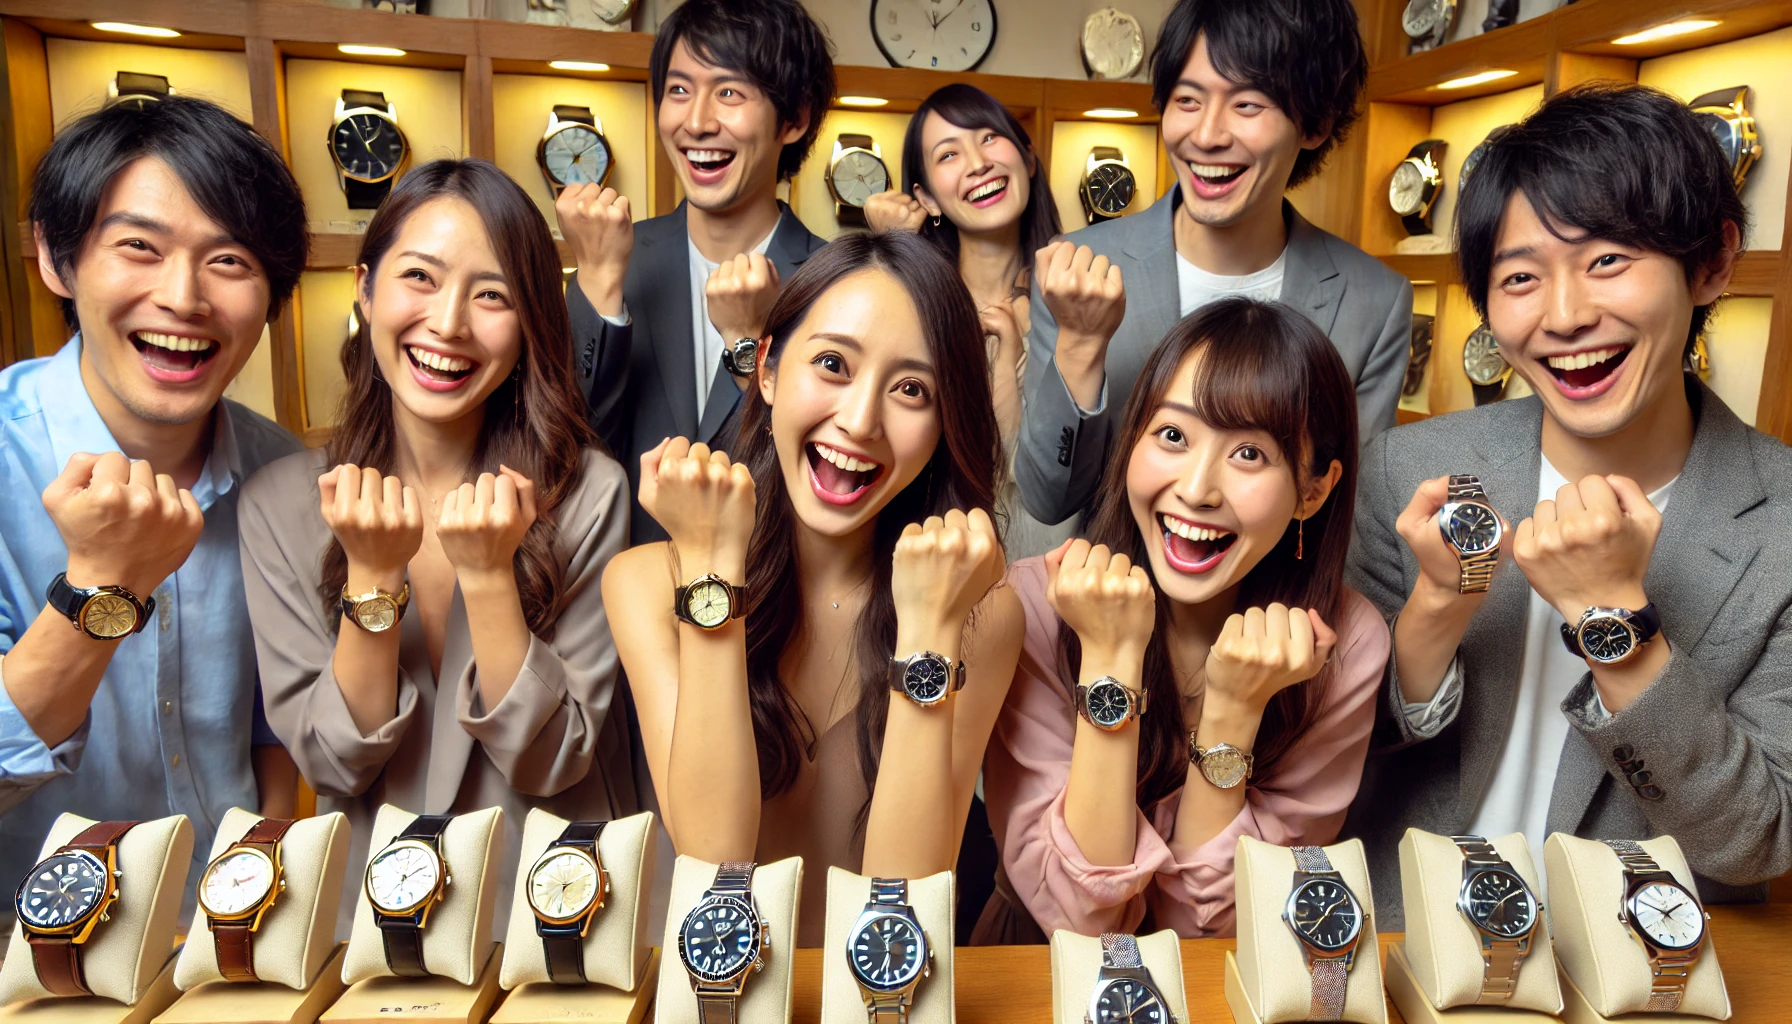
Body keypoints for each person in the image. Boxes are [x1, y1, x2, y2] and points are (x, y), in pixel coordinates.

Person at [1343, 83, 1792, 923]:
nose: (1566, 315)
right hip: (1408, 943)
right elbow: (1335, 751)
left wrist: (1615, 623)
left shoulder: (1783, 527)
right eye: (1520, 276)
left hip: (1643, 970)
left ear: (1714, 263)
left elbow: (1757, 838)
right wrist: (1435, 613)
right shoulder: (1410, 470)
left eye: (1608, 261)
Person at [239, 160, 634, 932]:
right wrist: (373, 578)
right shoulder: (282, 505)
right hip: (376, 922)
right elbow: (333, 761)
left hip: (561, 914)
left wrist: (488, 576)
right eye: (419, 277)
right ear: (364, 287)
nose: (449, 323)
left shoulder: (588, 492)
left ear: (529, 326)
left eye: (492, 295)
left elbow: (553, 758)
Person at [604, 232, 1025, 945]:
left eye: (912, 389)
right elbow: (716, 867)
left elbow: (905, 905)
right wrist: (712, 567)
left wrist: (927, 630)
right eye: (832, 364)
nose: (860, 421)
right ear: (766, 369)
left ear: (946, 419)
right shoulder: (648, 581)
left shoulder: (980, 612)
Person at [978, 298, 1387, 941]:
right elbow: (1085, 918)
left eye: (1249, 454)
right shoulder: (1036, 605)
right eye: (1172, 436)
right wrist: (1110, 659)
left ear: (1313, 490)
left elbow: (1213, 928)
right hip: (1033, 975)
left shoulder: (1345, 647)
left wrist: (1232, 710)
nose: (1197, 488)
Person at [0, 96, 306, 918]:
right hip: (25, 958)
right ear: (55, 261)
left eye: (230, 261)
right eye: (140, 247)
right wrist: (104, 585)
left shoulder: (287, 477)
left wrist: (257, 896)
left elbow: (272, 731)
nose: (184, 298)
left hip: (230, 938)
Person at [1016, 0, 1412, 528]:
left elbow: (1348, 518)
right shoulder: (1082, 268)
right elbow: (1047, 499)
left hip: (1276, 609)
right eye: (1187, 99)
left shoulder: (1375, 301)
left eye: (1247, 105)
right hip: (1107, 600)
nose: (1206, 135)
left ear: (1316, 124)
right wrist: (1081, 347)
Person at [560, 0, 836, 544]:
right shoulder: (615, 255)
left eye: (730, 92)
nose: (696, 122)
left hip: (770, 605)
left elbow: (828, 470)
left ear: (795, 119)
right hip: (624, 605)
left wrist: (752, 345)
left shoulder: (835, 281)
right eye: (679, 90)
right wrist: (597, 281)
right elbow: (570, 453)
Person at [865, 83, 1071, 562]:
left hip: (1053, 573)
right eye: (948, 154)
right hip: (925, 566)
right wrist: (893, 255)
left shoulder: (1079, 292)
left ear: (1028, 157)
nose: (978, 162)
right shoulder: (918, 304)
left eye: (989, 138)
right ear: (927, 197)